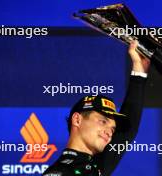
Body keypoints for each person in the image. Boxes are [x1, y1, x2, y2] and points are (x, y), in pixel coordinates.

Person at [43, 40, 150, 176]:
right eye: (103, 121)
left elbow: (127, 132)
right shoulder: (60, 173)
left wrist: (139, 71)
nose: (110, 133)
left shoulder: (95, 168)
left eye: (113, 129)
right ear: (77, 120)